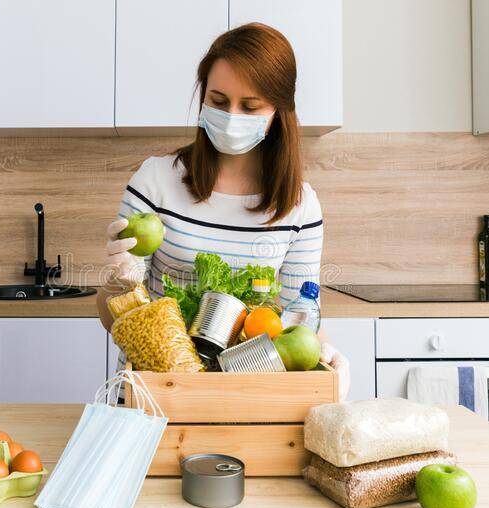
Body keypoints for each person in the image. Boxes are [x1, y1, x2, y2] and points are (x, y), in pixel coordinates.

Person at [97, 23, 350, 399]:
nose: (231, 116)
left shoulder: (300, 207)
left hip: (244, 401)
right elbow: (111, 316)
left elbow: (300, 316)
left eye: (250, 107)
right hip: (151, 395)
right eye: (218, 101)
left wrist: (330, 357)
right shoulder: (155, 181)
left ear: (278, 111)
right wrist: (120, 284)